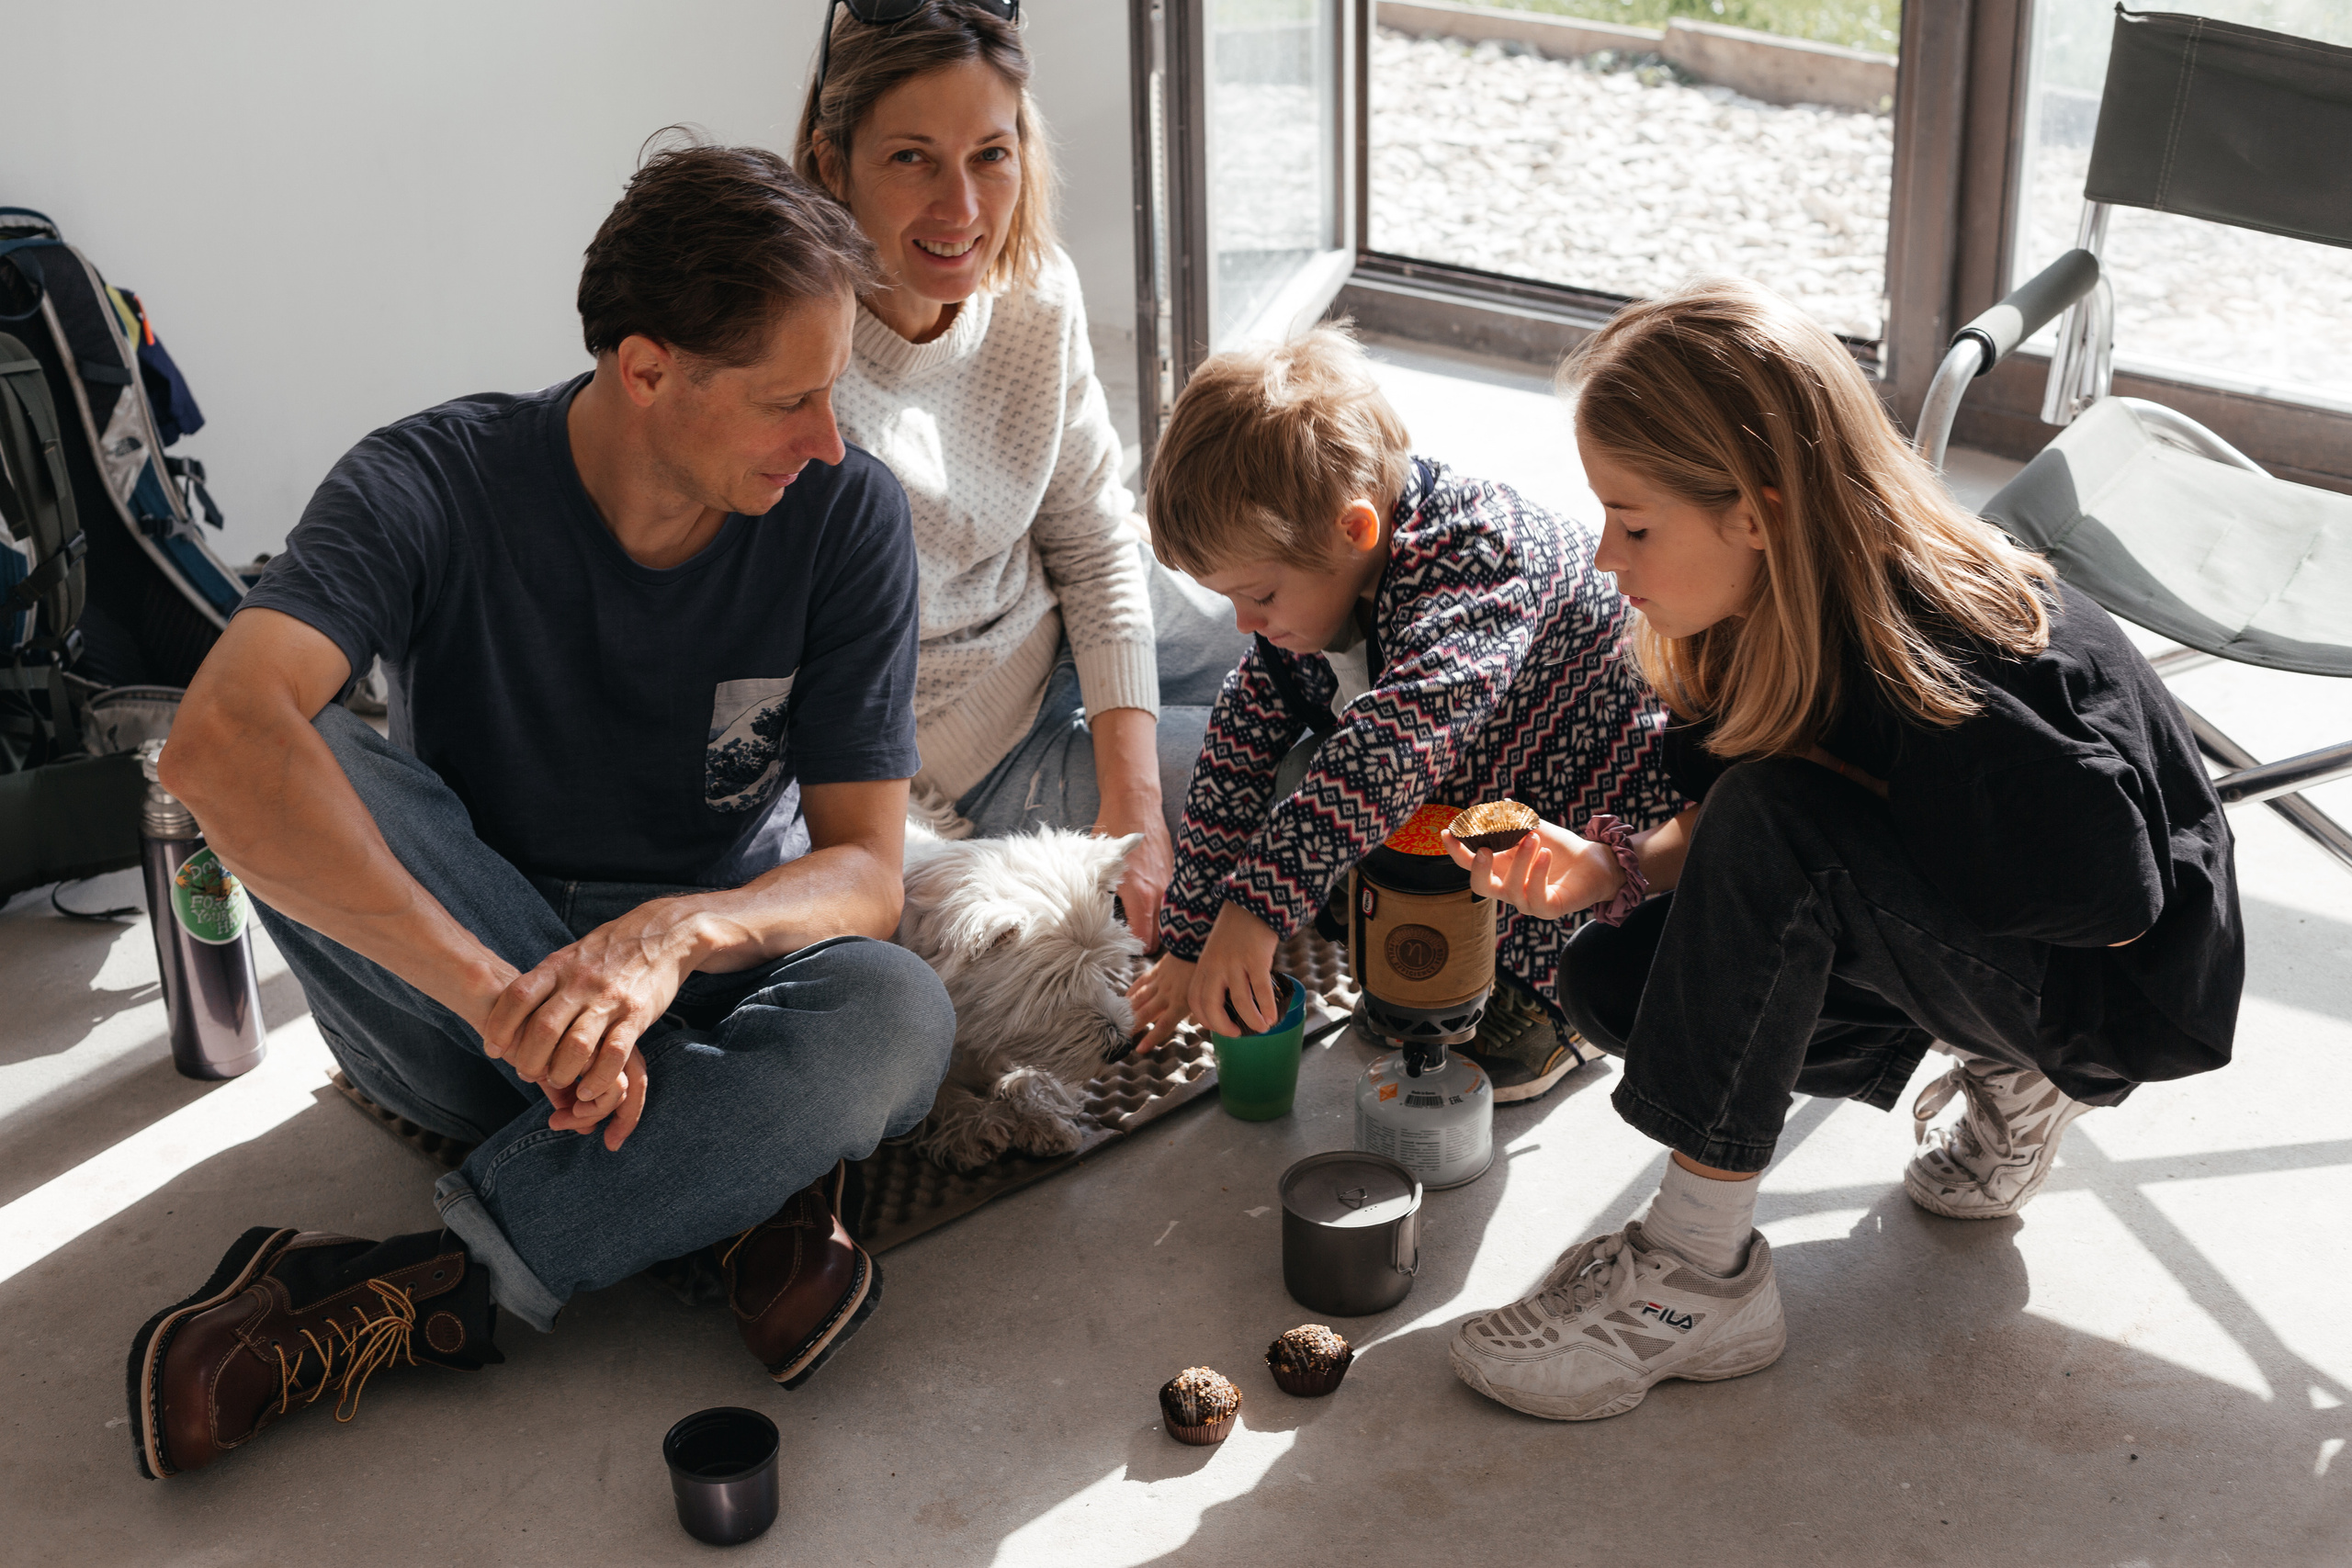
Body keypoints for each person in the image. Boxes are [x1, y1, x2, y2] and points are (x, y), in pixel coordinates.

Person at [124, 142, 957, 1481]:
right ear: (645, 370)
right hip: (464, 1004)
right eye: (789, 399)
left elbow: (865, 870)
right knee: (292, 740)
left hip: (708, 982)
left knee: (898, 1014)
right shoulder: (432, 478)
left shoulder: (841, 514)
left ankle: (409, 1285)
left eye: (834, 393)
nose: (828, 438)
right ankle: (738, 1183)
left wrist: (674, 937)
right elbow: (216, 743)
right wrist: (507, 997)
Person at [1442, 280, 2243, 1422]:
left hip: (2116, 987)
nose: (1607, 557)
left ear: (1756, 513)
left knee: (1783, 826)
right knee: (1617, 980)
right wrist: (1612, 869)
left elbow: (2119, 899)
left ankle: (1691, 1278)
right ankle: (1998, 1064)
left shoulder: (1948, 670)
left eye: (1632, 523)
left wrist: (1871, 844)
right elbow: (1742, 811)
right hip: (1981, 917)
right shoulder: (1772, 610)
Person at [1125, 324, 1683, 1103]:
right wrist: (1189, 935)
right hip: (1473, 781)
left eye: (1259, 594)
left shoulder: (1481, 557)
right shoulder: (1324, 576)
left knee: (1431, 830)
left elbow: (1393, 748)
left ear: (1354, 528)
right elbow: (1234, 748)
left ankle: (1554, 1005)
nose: (1247, 625)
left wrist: (1255, 907)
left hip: (1591, 802)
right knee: (1311, 787)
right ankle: (1422, 929)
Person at [795, 0, 1246, 952]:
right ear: (834, 165)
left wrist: (1137, 811)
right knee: (1305, 784)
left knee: (1352, 652)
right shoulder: (800, 369)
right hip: (976, 738)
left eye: (990, 155)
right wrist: (1122, 825)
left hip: (1072, 615)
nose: (961, 210)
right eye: (911, 157)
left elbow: (1091, 537)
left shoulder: (1035, 290)